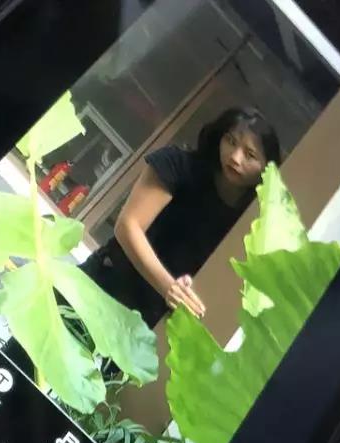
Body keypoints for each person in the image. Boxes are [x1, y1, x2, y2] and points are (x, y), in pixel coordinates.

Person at [81, 107, 280, 328]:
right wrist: (170, 288)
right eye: (231, 141)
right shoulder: (178, 164)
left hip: (150, 327)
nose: (235, 157)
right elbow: (128, 226)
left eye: (250, 155)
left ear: (266, 170)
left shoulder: (253, 226)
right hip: (102, 288)